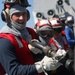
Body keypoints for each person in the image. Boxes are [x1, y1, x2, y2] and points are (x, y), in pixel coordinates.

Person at [0, 1, 61, 75]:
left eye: (24, 14)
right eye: (17, 14)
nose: (22, 18)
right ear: (8, 16)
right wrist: (41, 66)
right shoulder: (4, 41)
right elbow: (14, 71)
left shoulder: (30, 32)